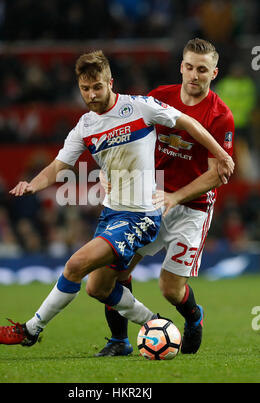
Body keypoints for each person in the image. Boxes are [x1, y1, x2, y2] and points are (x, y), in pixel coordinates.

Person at [0, 49, 234, 348]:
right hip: (113, 212)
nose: (91, 94)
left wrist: (220, 153)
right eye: (85, 89)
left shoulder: (140, 106)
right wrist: (33, 184)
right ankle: (154, 326)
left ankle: (30, 330)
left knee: (76, 266)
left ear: (110, 83)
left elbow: (187, 123)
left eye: (97, 87)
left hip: (143, 214)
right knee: (98, 287)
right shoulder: (85, 127)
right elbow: (58, 166)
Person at [94, 38, 235, 357]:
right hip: (147, 202)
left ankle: (193, 317)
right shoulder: (160, 97)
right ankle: (119, 341)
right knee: (114, 273)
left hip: (191, 208)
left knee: (170, 288)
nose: (194, 75)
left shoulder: (220, 116)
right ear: (181, 67)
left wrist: (175, 196)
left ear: (214, 72)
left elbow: (217, 174)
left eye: (202, 69)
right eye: (189, 67)